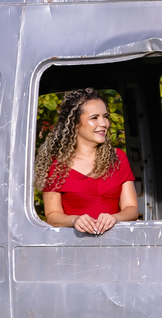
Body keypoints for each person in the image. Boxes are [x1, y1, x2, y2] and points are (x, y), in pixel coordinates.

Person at [35, 88, 139, 235]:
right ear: (75, 123)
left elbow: (132, 209)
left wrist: (115, 218)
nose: (104, 123)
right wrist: (75, 220)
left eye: (105, 116)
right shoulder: (55, 166)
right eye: (94, 118)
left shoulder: (118, 157)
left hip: (118, 243)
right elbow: (52, 215)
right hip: (75, 246)